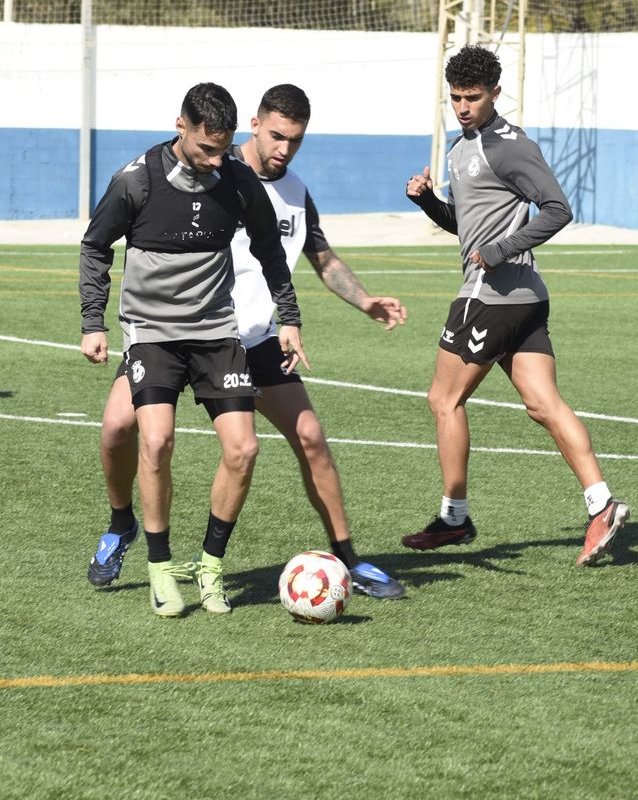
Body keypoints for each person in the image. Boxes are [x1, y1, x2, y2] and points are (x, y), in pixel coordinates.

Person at [86, 85, 410, 601]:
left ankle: (349, 559)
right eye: (277, 135)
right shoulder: (213, 170)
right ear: (254, 125)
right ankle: (121, 523)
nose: (284, 148)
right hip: (175, 330)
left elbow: (319, 258)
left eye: (296, 140)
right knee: (118, 429)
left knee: (310, 439)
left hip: (252, 340)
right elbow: (105, 242)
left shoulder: (295, 191)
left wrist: (365, 300)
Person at [79, 83, 307, 618]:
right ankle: (157, 563)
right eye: (205, 149)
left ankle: (210, 564)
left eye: (223, 150)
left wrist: (289, 318)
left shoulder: (236, 177)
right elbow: (95, 247)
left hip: (214, 331)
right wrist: (93, 322)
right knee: (152, 441)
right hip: (153, 331)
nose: (214, 161)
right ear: (180, 126)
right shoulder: (136, 181)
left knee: (243, 449)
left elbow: (269, 247)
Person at [401, 45, 629, 565]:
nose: (462, 106)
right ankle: (601, 504)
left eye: (473, 98)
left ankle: (454, 518)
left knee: (444, 401)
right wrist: (428, 202)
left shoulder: (509, 146)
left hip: (492, 296)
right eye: (455, 97)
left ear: (496, 94)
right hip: (523, 299)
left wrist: (502, 250)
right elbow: (470, 226)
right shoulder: (462, 149)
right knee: (542, 404)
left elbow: (558, 209)